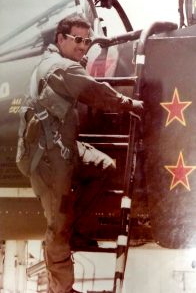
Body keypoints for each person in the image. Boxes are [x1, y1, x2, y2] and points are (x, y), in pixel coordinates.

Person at [16, 16, 143, 293]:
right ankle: (61, 288)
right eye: (78, 40)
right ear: (60, 39)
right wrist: (129, 103)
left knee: (104, 166)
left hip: (63, 148)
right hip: (48, 159)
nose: (84, 47)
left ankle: (77, 228)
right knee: (57, 226)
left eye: (87, 41)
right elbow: (94, 92)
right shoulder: (60, 68)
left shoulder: (57, 64)